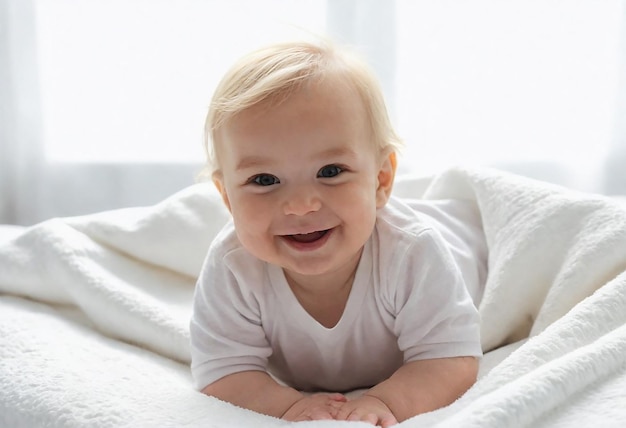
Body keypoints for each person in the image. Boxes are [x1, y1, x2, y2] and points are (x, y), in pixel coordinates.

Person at [190, 38, 487, 427]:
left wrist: (389, 401)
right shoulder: (233, 268)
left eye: (330, 172)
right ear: (227, 196)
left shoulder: (413, 252)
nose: (300, 205)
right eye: (264, 179)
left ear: (381, 179)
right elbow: (222, 371)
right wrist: (287, 407)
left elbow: (451, 357)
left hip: (465, 251)